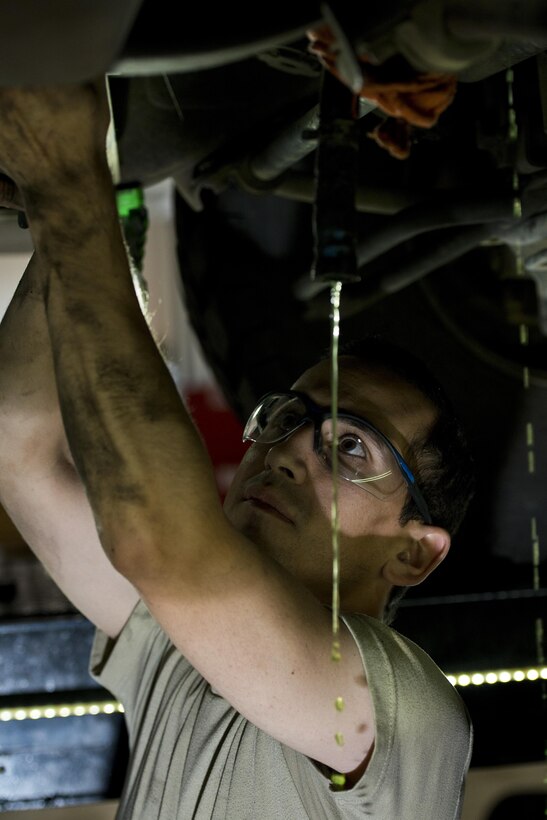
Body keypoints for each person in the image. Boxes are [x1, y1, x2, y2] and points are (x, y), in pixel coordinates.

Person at [0, 77, 475, 819]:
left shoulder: (395, 711)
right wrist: (59, 202)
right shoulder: (182, 641)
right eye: (288, 415)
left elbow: (155, 540)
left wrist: (66, 180)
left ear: (412, 554)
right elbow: (20, 449)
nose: (287, 450)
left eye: (349, 449)